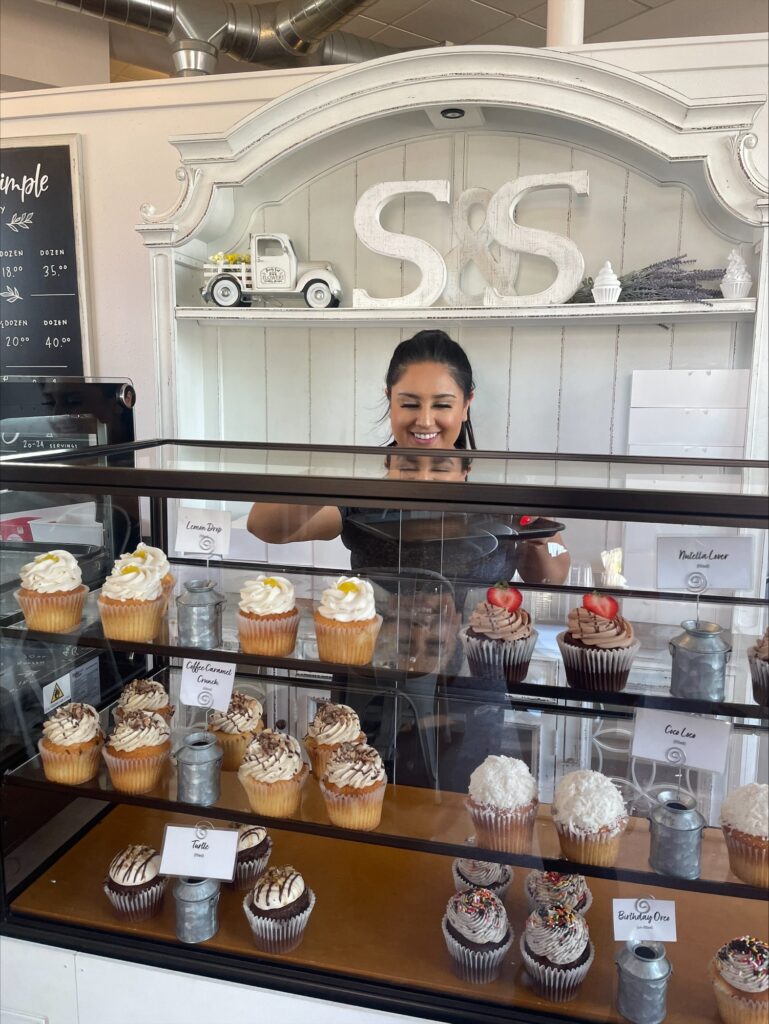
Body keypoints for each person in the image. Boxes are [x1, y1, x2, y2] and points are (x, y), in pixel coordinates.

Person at [247, 329, 570, 586]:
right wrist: (326, 475)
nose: (426, 421)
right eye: (410, 404)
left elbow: (552, 575)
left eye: (442, 405)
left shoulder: (498, 482)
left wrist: (536, 536)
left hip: (477, 660)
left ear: (466, 403)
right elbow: (265, 527)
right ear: (390, 399)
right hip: (377, 662)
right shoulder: (362, 484)